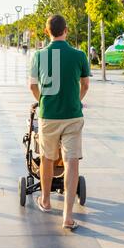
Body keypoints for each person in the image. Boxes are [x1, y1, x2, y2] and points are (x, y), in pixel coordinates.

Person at [29, 15, 90, 230]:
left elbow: (33, 86)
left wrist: (43, 102)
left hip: (49, 116)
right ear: (66, 30)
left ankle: (45, 201)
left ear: (48, 32)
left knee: (47, 158)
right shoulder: (79, 55)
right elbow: (85, 85)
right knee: (72, 161)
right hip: (73, 116)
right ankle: (67, 216)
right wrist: (76, 101)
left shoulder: (39, 55)